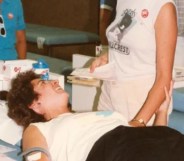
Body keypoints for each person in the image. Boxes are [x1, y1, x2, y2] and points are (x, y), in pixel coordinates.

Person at [6, 70, 184, 161]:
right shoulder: (38, 128)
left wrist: (161, 112)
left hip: (151, 139)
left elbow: (145, 135)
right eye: (44, 84)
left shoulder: (93, 116)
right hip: (109, 150)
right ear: (34, 104)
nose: (54, 82)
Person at [90, 0, 178, 126]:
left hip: (141, 100)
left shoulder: (164, 7)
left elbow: (164, 78)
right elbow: (127, 39)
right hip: (110, 91)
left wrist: (139, 121)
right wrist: (109, 56)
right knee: (101, 142)